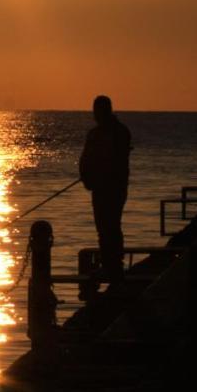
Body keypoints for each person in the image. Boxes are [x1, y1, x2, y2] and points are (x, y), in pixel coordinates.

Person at [78, 95, 132, 297]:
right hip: (99, 188)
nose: (96, 115)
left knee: (112, 227)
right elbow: (85, 159)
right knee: (104, 228)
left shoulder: (119, 133)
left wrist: (97, 174)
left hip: (114, 188)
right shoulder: (96, 134)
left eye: (98, 110)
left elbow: (117, 162)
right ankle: (110, 266)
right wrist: (87, 178)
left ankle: (115, 268)